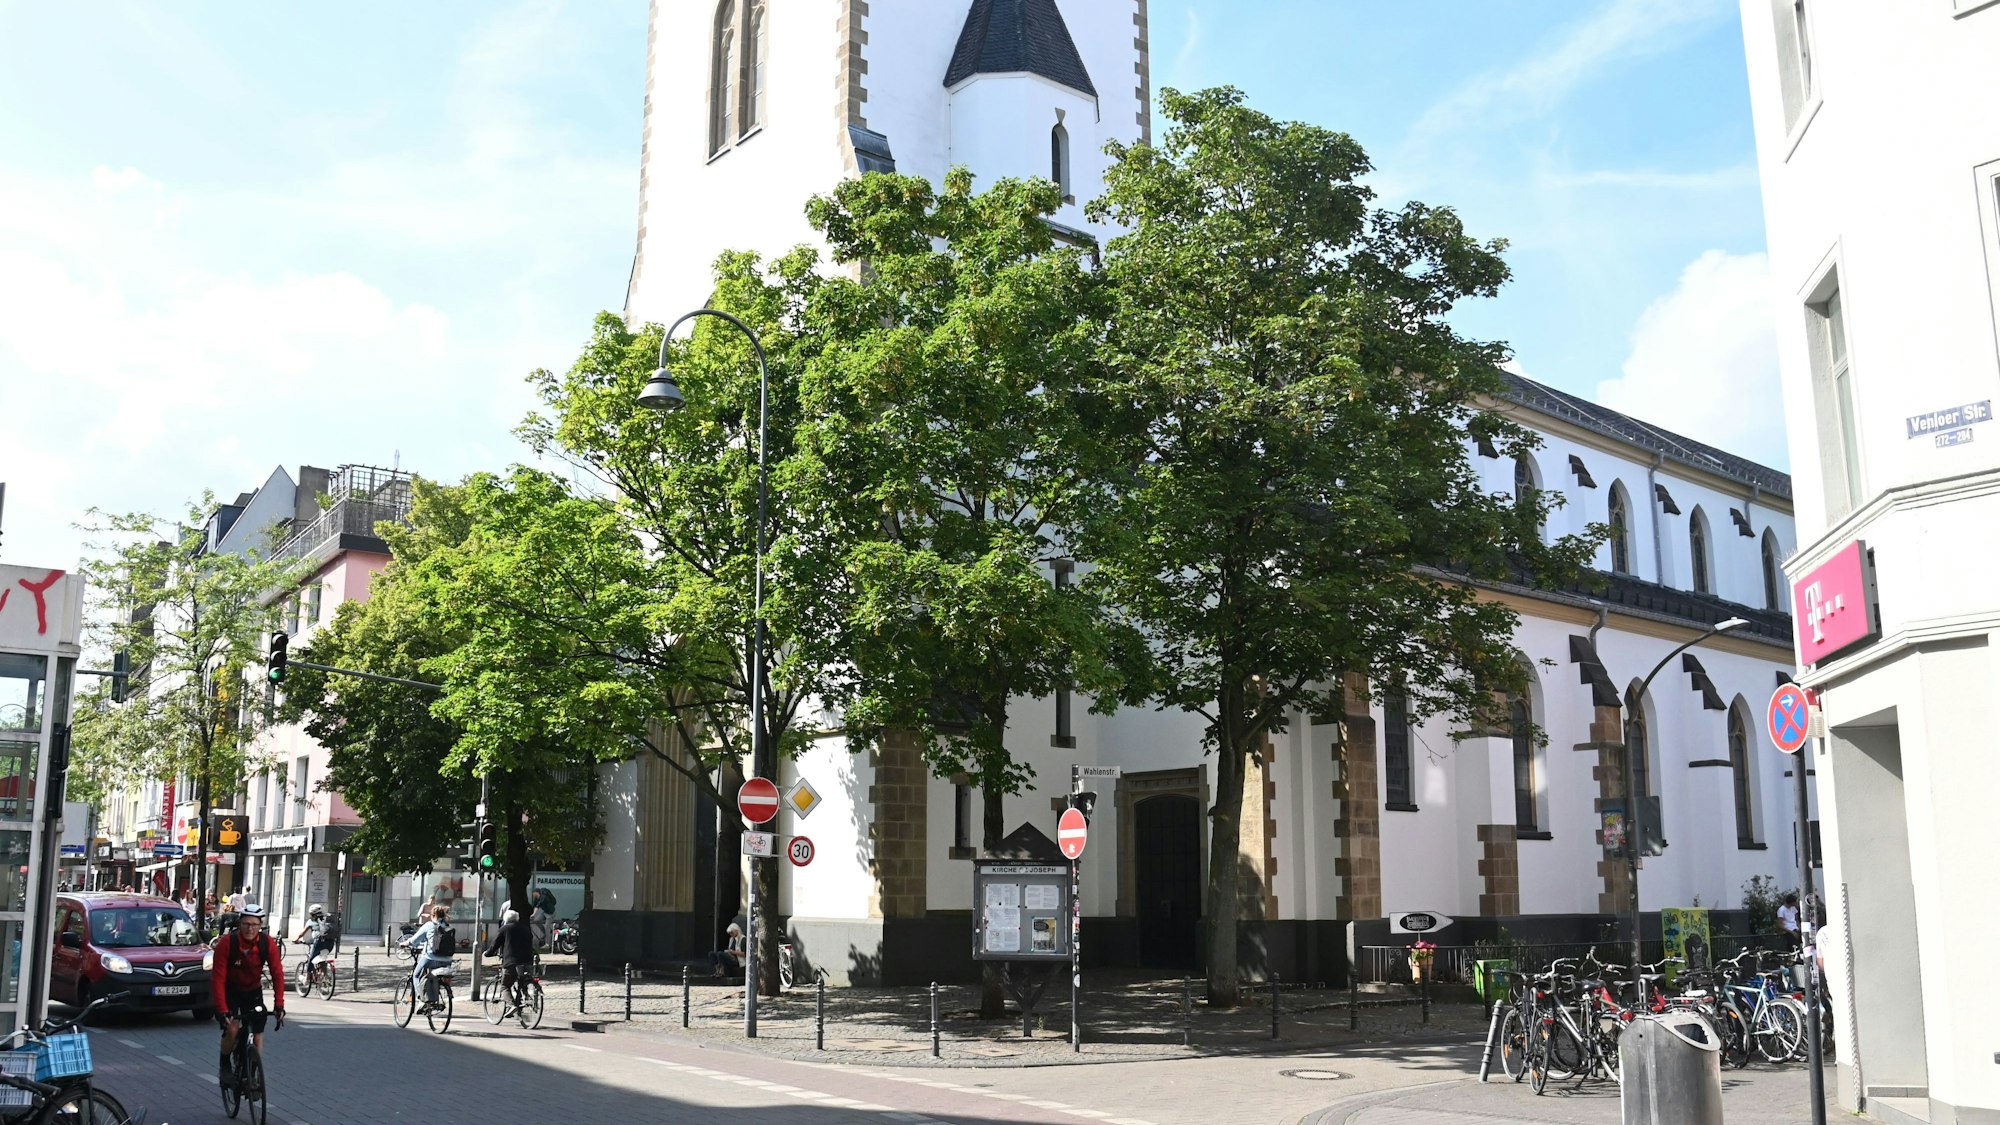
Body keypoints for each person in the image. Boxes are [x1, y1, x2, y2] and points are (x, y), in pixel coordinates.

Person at [211, 903, 284, 1091]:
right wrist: (222, 1010)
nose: (250, 928)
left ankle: (252, 1076)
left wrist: (279, 1004)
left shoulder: (267, 944)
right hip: (230, 990)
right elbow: (218, 979)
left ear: (260, 926)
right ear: (240, 924)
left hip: (252, 991)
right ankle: (225, 1064)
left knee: (257, 1036)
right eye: (246, 924)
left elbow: (277, 974)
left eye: (254, 924)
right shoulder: (227, 943)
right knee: (232, 1028)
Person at [400, 904, 457, 1006]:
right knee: (434, 976)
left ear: (433, 915)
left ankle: (422, 999)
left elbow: (414, 940)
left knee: (416, 975)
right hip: (448, 960)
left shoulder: (429, 925)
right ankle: (437, 997)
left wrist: (405, 943)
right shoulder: (449, 926)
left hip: (431, 958)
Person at [483, 908, 535, 1001]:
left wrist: (488, 953)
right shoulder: (526, 928)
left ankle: (512, 1005)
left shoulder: (504, 929)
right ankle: (525, 996)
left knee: (505, 986)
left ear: (505, 919)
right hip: (528, 960)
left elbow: (495, 945)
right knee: (522, 979)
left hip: (511, 961)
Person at [293, 904, 336, 971]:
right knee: (322, 957)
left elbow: (302, 933)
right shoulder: (326, 919)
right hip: (330, 942)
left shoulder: (311, 921)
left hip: (319, 942)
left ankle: (308, 976)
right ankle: (324, 973)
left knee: (311, 959)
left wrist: (297, 939)